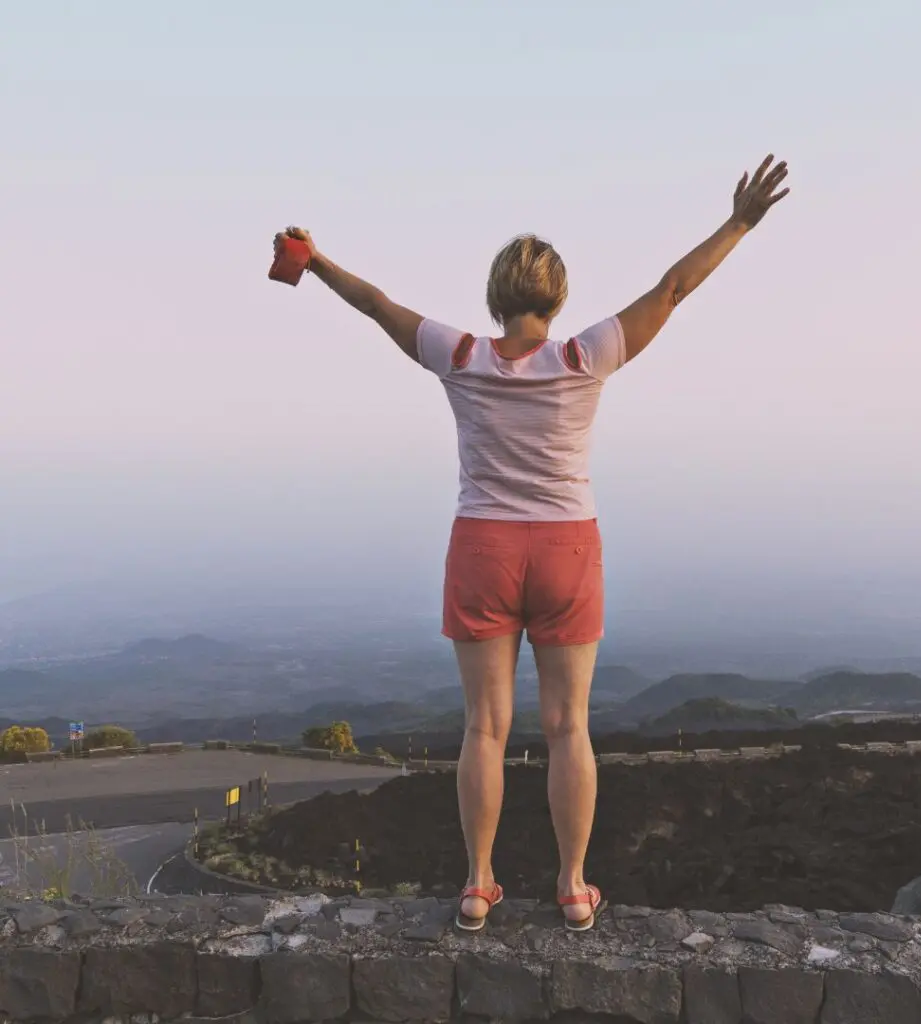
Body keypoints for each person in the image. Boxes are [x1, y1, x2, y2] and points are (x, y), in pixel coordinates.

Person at [274, 153, 790, 932]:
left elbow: (378, 304)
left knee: (484, 726)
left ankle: (479, 885)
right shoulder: (585, 357)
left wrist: (314, 262)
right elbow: (673, 289)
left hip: (481, 547)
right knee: (567, 727)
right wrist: (741, 222)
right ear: (557, 297)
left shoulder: (462, 356)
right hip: (566, 549)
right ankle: (574, 887)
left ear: (495, 296)